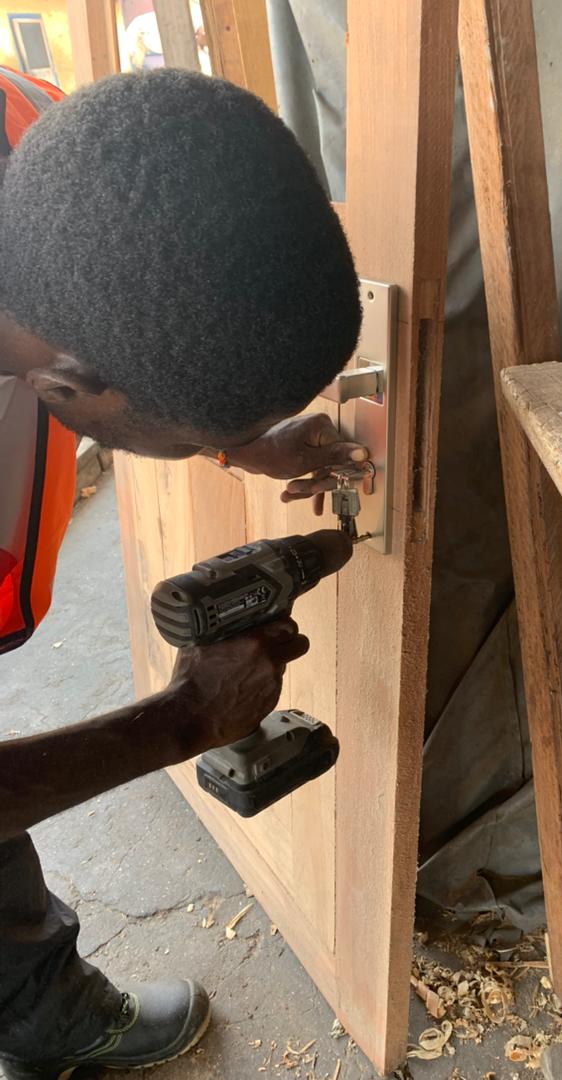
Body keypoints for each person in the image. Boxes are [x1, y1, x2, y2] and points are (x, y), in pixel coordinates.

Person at [0, 65, 364, 1080]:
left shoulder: (47, 143)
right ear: (62, 385)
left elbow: (143, 284)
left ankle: (43, 1019)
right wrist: (182, 722)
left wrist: (231, 437)